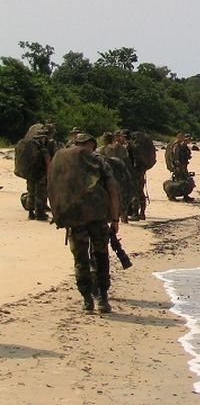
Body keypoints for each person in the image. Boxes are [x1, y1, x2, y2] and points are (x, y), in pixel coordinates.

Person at [49, 133, 120, 314]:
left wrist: (60, 215)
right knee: (101, 257)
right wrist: (115, 217)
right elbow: (112, 189)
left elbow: (55, 188)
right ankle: (102, 298)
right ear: (91, 144)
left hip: (75, 218)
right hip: (97, 217)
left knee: (80, 259)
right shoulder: (99, 161)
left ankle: (87, 299)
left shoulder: (64, 162)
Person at [172, 132, 195, 202]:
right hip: (179, 166)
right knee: (178, 181)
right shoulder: (179, 146)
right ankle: (172, 196)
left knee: (185, 181)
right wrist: (178, 166)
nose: (190, 141)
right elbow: (176, 157)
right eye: (189, 139)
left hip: (184, 165)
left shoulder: (184, 147)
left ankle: (185, 195)